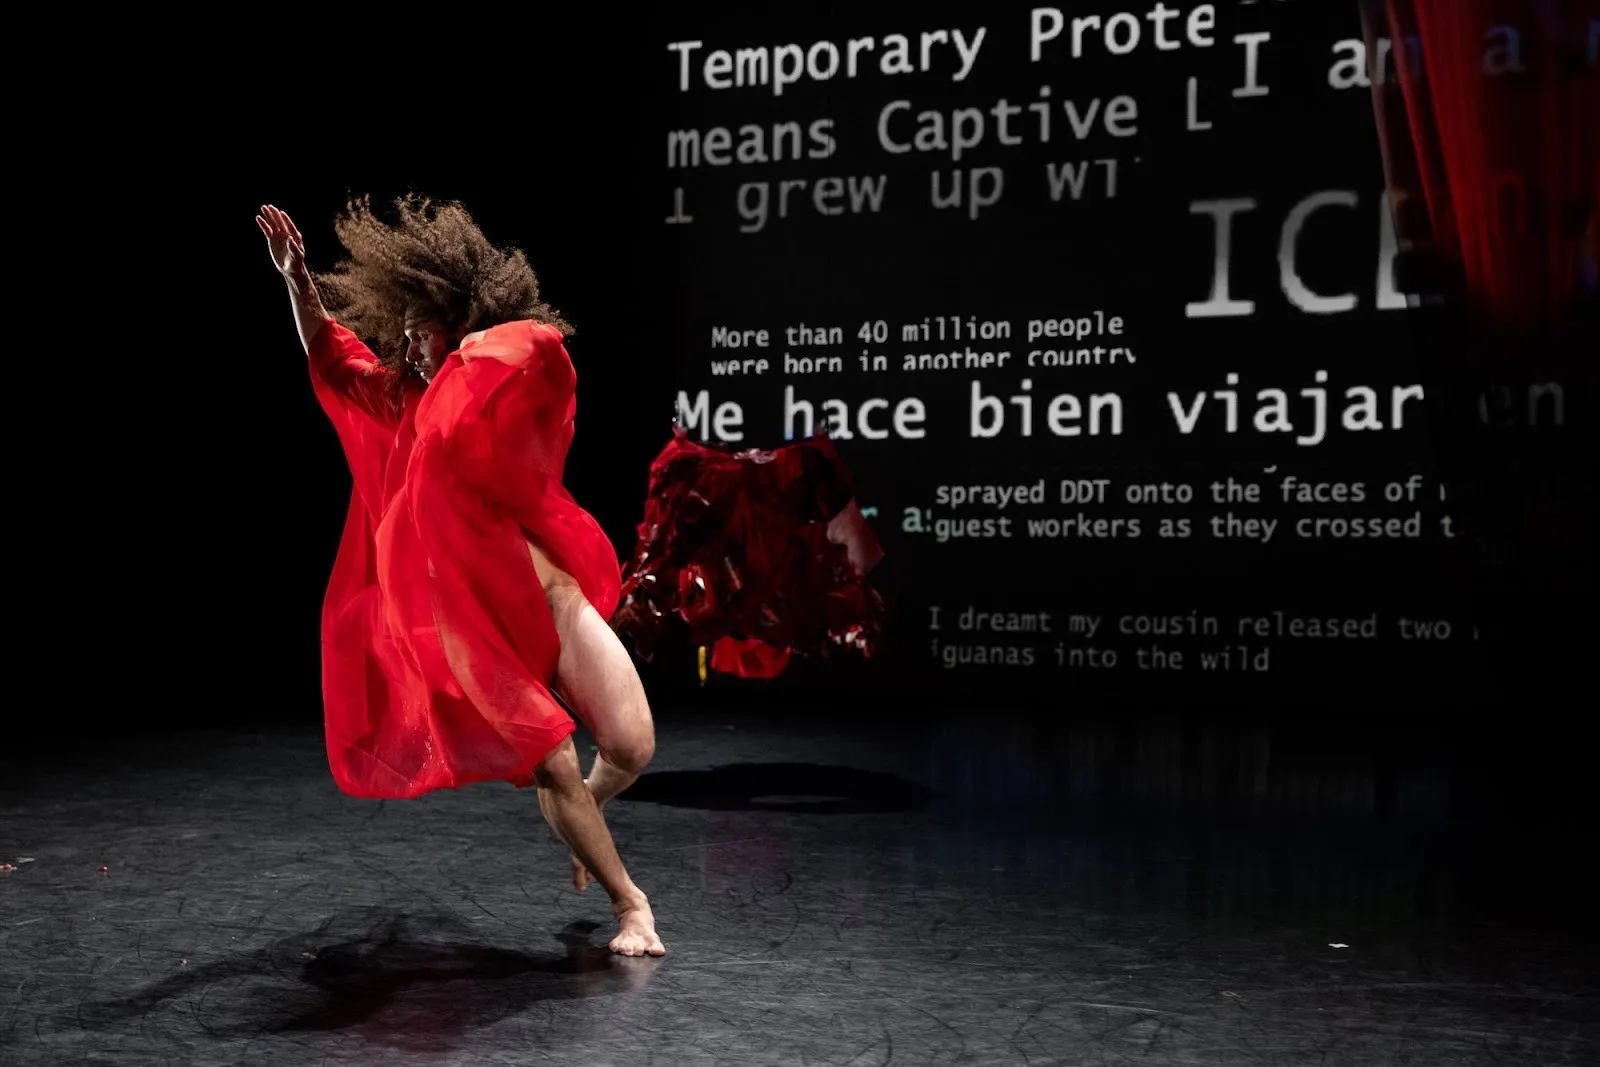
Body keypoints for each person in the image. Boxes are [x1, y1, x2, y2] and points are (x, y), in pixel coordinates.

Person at [256, 197, 663, 957]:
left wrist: (469, 349)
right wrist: (297, 282)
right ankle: (631, 905)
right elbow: (334, 358)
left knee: (632, 748)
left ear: (453, 317)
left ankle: (584, 825)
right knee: (554, 763)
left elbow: (543, 347)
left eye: (419, 332)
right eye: (403, 336)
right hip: (474, 631)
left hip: (547, 598)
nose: (407, 347)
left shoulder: (500, 370)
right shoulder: (401, 400)